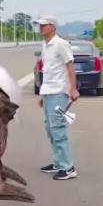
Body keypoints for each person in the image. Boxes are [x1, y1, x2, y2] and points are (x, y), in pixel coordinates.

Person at [35, 14, 79, 180]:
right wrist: (42, 94)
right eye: (39, 25)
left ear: (53, 27)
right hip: (48, 92)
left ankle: (68, 167)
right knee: (50, 129)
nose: (40, 28)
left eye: (44, 25)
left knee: (58, 129)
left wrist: (73, 89)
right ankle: (58, 162)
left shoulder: (61, 44)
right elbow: (47, 72)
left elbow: (70, 67)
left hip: (59, 93)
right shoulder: (45, 45)